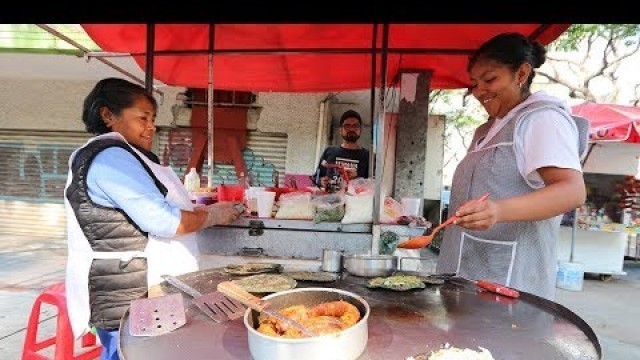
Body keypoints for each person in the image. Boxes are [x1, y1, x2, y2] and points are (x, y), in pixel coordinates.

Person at [64, 77, 242, 360]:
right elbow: (165, 221)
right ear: (107, 115)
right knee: (125, 352)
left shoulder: (126, 154)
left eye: (153, 118)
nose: (151, 125)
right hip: (125, 286)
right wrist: (212, 215)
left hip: (135, 283)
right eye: (143, 117)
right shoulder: (111, 157)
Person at [435, 33, 589, 300]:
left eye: (490, 79)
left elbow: (572, 191)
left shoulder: (541, 119)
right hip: (470, 272)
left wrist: (498, 210)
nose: (479, 90)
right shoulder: (489, 128)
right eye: (474, 83)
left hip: (510, 277)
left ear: (521, 73)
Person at [314, 109, 370, 192]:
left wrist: (357, 178)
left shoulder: (367, 156)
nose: (351, 129)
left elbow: (371, 185)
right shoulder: (329, 151)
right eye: (347, 126)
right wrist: (321, 181)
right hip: (330, 202)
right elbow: (316, 177)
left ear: (360, 130)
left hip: (354, 203)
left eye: (355, 126)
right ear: (340, 130)